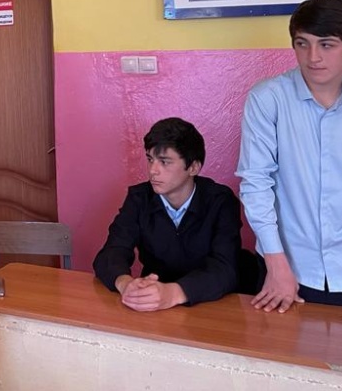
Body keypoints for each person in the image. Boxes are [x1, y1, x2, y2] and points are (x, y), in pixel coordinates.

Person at [237, 0, 342, 391]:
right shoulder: (267, 99)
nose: (313, 57)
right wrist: (276, 264)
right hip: (287, 268)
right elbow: (256, 184)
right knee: (289, 379)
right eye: (302, 43)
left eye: (327, 45)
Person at [93, 117, 242, 311]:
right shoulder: (139, 198)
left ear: (193, 167)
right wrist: (126, 284)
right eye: (150, 159)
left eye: (164, 162)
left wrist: (174, 293)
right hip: (155, 305)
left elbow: (225, 269)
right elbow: (111, 252)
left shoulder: (220, 201)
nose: (153, 170)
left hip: (211, 306)